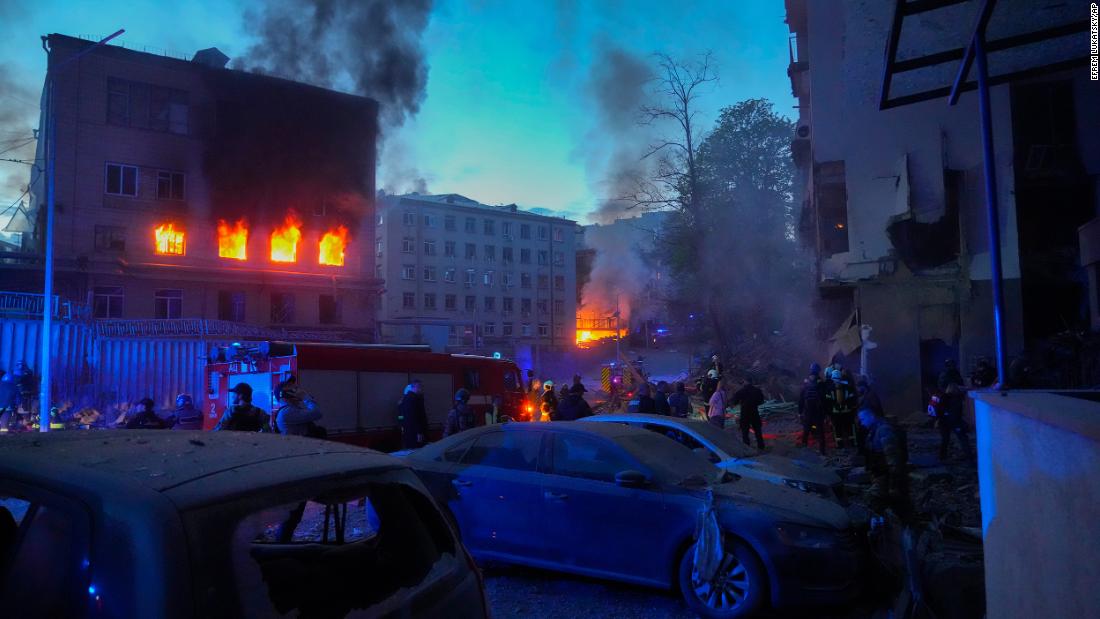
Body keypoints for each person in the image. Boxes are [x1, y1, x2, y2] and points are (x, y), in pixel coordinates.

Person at [858, 407, 912, 521]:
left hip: (888, 476)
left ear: (871, 416)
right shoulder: (875, 430)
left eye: (863, 419)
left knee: (880, 500)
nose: (861, 422)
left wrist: (894, 485)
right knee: (895, 504)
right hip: (883, 475)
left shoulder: (883, 431)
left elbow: (893, 458)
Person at [798, 363, 827, 455]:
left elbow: (801, 399)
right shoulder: (821, 383)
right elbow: (824, 399)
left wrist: (800, 412)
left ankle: (804, 449)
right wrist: (826, 413)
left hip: (808, 411)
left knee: (806, 430)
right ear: (818, 371)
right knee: (820, 431)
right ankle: (822, 451)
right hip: (818, 411)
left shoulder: (806, 383)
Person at [824, 369, 858, 448]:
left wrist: (829, 413)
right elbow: (852, 400)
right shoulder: (848, 387)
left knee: (837, 429)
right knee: (850, 428)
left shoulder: (830, 389)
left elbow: (828, 403)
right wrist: (853, 410)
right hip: (847, 413)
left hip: (836, 413)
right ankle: (853, 443)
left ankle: (840, 445)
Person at [731, 375, 766, 449]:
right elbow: (761, 401)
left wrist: (740, 403)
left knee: (745, 432)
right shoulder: (757, 390)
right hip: (754, 412)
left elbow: (734, 401)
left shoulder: (741, 391)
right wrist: (754, 403)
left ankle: (746, 447)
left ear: (745, 381)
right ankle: (761, 446)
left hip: (745, 413)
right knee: (757, 430)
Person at [398, 380, 428, 448]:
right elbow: (416, 416)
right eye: (420, 387)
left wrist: (401, 425)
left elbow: (400, 416)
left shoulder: (401, 402)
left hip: (406, 430)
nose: (421, 389)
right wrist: (419, 431)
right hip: (415, 431)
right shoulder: (415, 399)